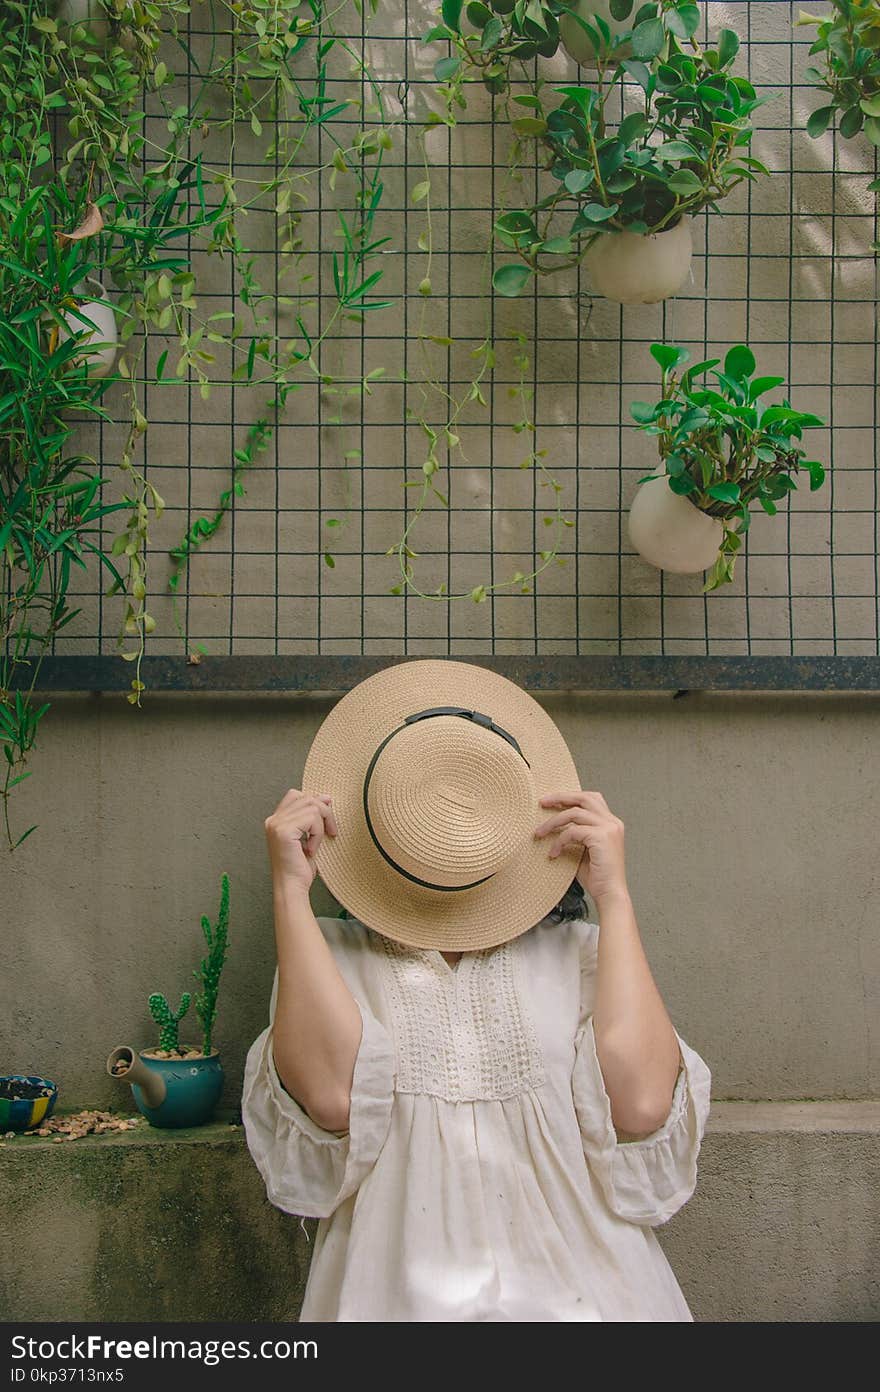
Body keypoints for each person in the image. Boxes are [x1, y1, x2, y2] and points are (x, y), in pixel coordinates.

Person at [241, 659, 712, 1322]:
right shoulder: (331, 955)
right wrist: (289, 892)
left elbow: (638, 1107)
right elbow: (330, 1098)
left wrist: (615, 896)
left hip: (593, 1295)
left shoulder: (578, 955)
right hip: (398, 1298)